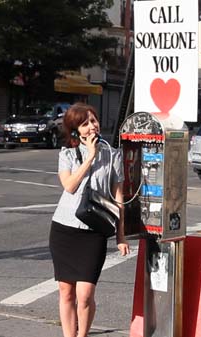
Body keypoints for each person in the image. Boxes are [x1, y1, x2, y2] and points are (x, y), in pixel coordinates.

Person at [49, 102, 130, 337]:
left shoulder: (113, 154)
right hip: (64, 228)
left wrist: (121, 236)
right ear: (75, 130)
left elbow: (119, 197)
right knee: (66, 292)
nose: (91, 127)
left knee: (85, 294)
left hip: (94, 231)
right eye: (85, 124)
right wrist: (89, 158)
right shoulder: (67, 154)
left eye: (93, 121)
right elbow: (70, 186)